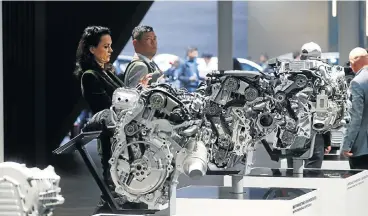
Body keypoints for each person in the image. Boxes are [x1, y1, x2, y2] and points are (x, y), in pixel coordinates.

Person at [74, 26, 124, 213]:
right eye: (106, 46)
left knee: (118, 188)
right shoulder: (90, 76)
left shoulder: (107, 72)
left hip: (121, 137)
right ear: (92, 49)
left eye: (110, 46)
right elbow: (105, 107)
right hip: (111, 138)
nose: (110, 50)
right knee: (113, 189)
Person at [286, 42, 331, 169]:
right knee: (313, 174)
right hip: (316, 133)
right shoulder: (323, 78)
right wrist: (327, 140)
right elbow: (326, 110)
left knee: (293, 170)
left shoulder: (289, 75)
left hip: (293, 132)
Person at [342, 47, 368, 169]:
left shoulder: (357, 82)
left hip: (363, 148)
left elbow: (355, 117)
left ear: (353, 63)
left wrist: (347, 145)